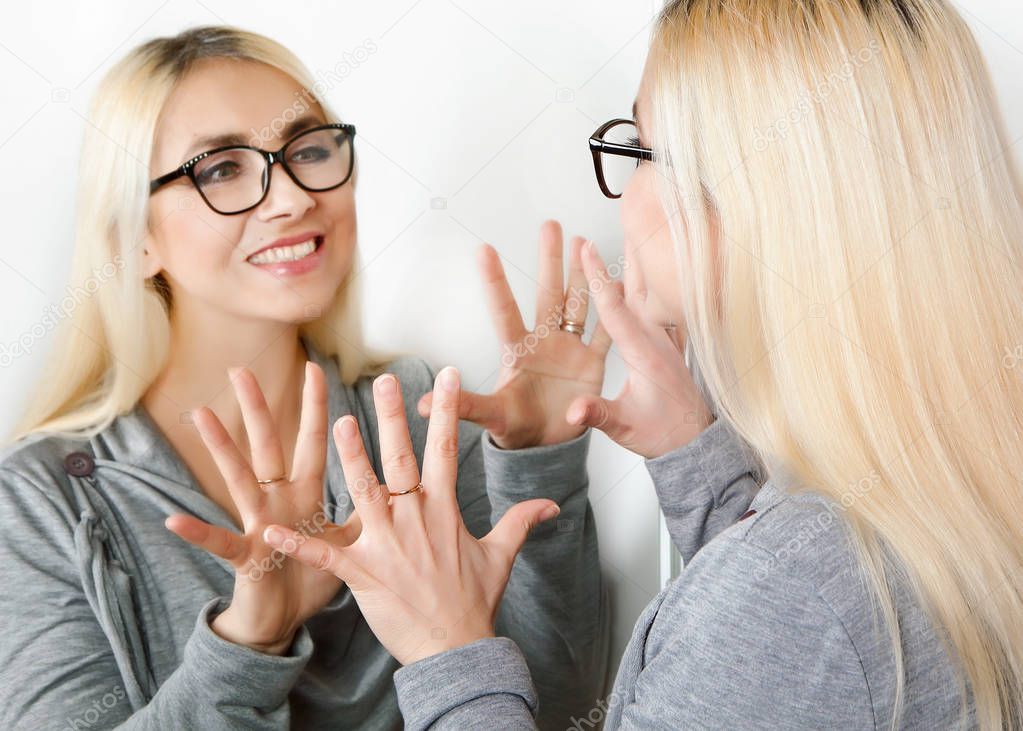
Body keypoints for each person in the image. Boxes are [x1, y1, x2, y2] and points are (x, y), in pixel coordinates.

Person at [267, 1, 1023, 728]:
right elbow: (813, 659)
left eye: (637, 148)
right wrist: (697, 461)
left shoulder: (789, 591)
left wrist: (447, 652)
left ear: (746, 199)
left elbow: (793, 621)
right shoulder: (949, 496)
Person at [0, 26, 610, 730]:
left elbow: (559, 710)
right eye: (221, 168)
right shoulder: (43, 499)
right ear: (134, 239)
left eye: (307, 150)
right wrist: (247, 642)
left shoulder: (416, 417)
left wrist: (537, 465)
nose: (290, 196)